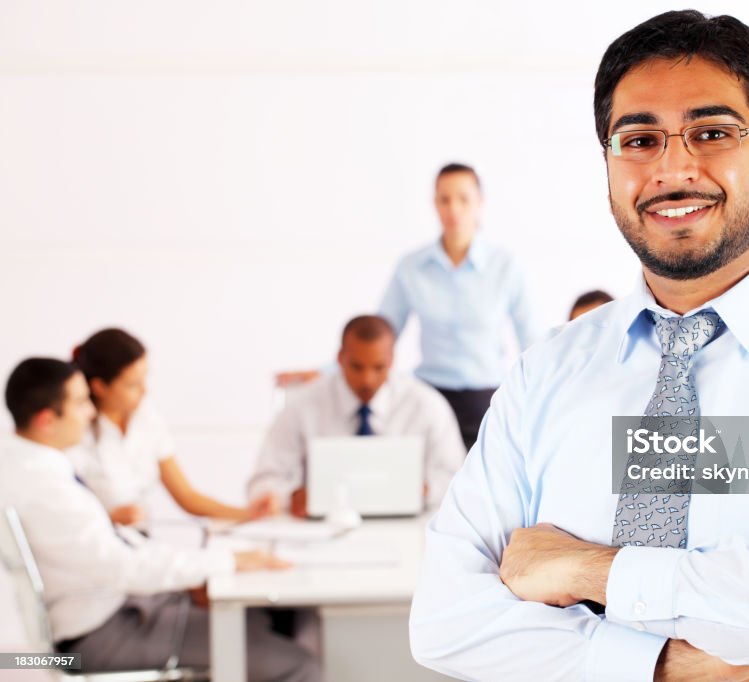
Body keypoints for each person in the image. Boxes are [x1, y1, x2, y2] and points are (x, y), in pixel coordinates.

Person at [409, 10, 749, 682]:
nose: (673, 166)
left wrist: (592, 568)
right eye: (638, 140)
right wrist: (666, 665)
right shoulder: (545, 372)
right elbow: (443, 621)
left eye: (712, 132)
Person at [0, 358, 319, 679]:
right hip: (100, 637)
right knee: (298, 664)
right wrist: (226, 561)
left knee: (266, 618)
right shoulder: (46, 489)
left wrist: (203, 568)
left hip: (117, 610)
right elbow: (123, 567)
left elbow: (114, 548)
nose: (91, 412)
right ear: (46, 420)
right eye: (81, 403)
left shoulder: (32, 464)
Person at [378, 163, 541, 449]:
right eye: (444, 199)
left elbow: (532, 340)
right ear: (434, 204)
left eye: (463, 199)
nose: (453, 208)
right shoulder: (411, 267)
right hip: (428, 398)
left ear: (480, 203)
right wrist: (330, 370)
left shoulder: (505, 266)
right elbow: (381, 334)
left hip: (485, 401)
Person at [248, 315, 465, 516]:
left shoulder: (426, 405)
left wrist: (423, 490)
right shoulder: (302, 406)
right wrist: (290, 497)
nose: (367, 380)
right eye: (357, 366)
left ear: (391, 360)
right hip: (319, 534)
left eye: (378, 367)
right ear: (340, 358)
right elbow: (263, 483)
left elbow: (459, 484)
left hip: (407, 533)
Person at [69, 328, 277, 527]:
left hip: (139, 544)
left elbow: (187, 496)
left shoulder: (146, 419)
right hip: (98, 546)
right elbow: (62, 514)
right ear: (99, 387)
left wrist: (249, 513)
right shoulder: (72, 434)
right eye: (132, 384)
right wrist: (109, 519)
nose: (144, 391)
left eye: (144, 379)